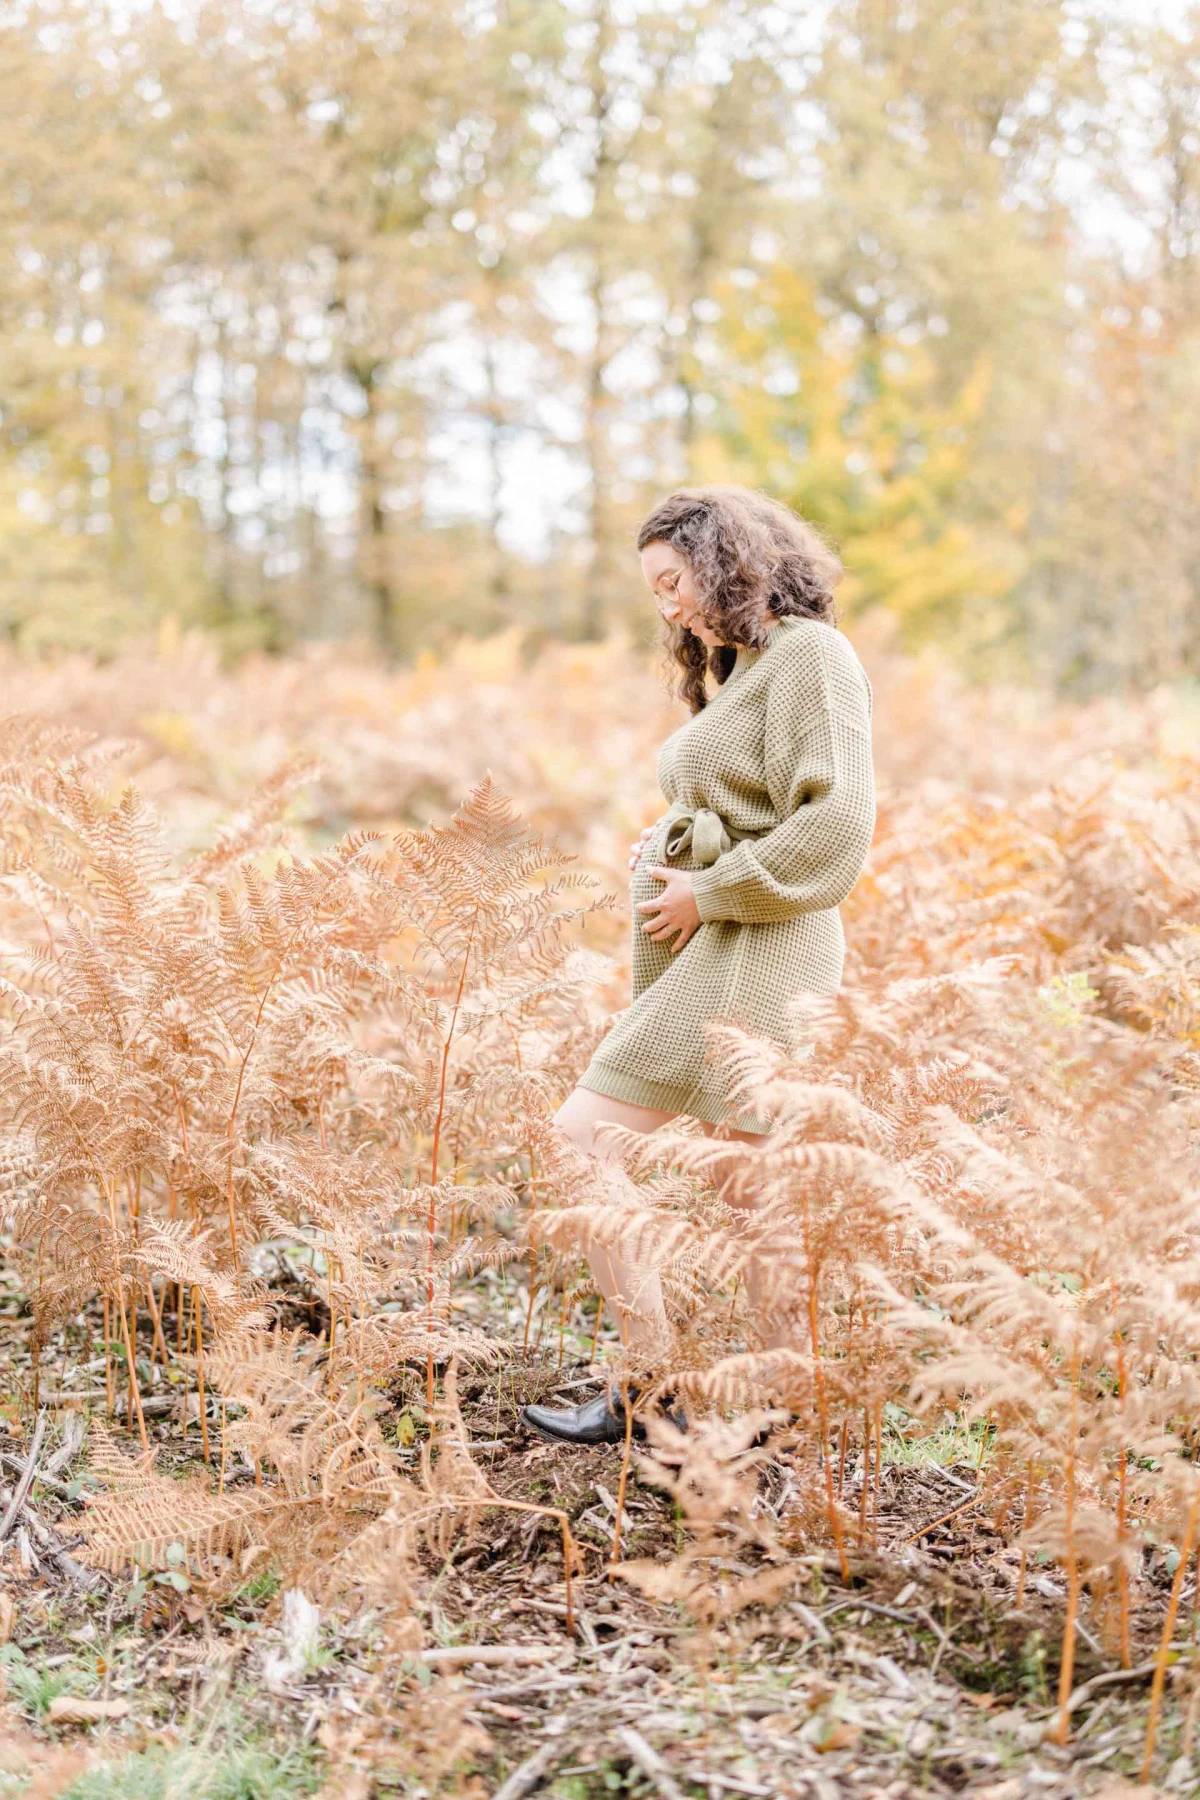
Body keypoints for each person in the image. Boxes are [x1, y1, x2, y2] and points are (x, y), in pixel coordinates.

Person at [521, 486, 876, 1445]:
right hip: (732, 940)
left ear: (723, 561)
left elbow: (838, 824)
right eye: (655, 591)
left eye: (674, 581)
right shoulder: (753, 666)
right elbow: (759, 804)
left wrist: (711, 889)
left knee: (580, 1136)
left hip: (764, 946)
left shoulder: (811, 656)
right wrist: (677, 841)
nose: (668, 606)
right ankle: (780, 1409)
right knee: (751, 1180)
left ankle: (652, 1387)